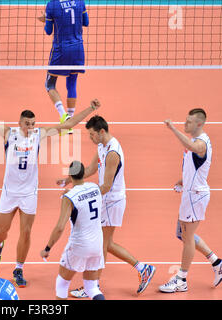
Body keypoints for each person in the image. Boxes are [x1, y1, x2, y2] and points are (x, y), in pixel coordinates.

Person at [0, 95, 100, 287]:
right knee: (0, 231)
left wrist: (90, 108)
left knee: (26, 233)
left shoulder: (39, 133)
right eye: (26, 124)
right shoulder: (8, 133)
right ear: (19, 123)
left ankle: (19, 269)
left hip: (29, 193)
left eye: (32, 124)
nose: (29, 127)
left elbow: (68, 124)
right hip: (10, 192)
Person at [58, 115, 155, 297]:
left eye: (92, 134)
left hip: (113, 201)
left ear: (102, 132)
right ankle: (143, 268)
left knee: (102, 244)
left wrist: (80, 195)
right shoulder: (102, 146)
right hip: (106, 201)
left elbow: (106, 186)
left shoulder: (112, 153)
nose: (90, 138)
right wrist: (71, 180)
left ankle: (93, 287)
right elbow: (91, 169)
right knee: (105, 243)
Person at [159, 108, 222, 293]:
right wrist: (184, 179)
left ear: (199, 123)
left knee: (187, 237)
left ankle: (181, 280)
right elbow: (195, 164)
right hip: (190, 193)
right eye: (185, 121)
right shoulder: (193, 140)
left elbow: (195, 149)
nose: (186, 124)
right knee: (182, 234)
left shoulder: (201, 143)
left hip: (195, 195)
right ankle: (218, 263)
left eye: (189, 122)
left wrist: (173, 129)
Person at [41, 161, 105, 300]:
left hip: (79, 245)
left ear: (70, 175)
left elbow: (59, 228)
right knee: (91, 287)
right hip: (97, 244)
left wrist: (47, 248)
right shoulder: (95, 188)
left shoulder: (69, 197)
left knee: (62, 284)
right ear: (84, 173)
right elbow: (84, 195)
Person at [38, 0, 89, 134]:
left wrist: (46, 19)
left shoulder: (52, 5)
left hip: (60, 50)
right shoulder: (80, 2)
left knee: (49, 84)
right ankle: (69, 123)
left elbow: (48, 31)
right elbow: (86, 22)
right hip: (78, 48)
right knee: (72, 84)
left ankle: (63, 116)